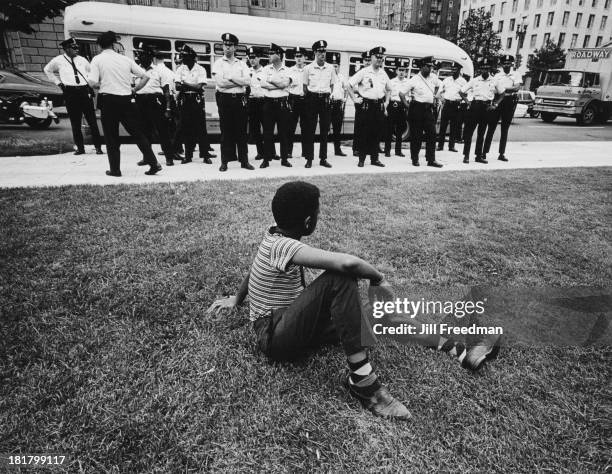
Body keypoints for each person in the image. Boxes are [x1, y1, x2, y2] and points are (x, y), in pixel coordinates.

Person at [207, 181, 503, 419]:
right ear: (309, 220)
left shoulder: (273, 239)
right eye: (318, 212)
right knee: (339, 277)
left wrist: (237, 298)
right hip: (274, 334)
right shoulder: (280, 245)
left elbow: (253, 269)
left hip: (295, 325)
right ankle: (363, 383)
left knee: (375, 316)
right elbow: (347, 264)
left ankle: (461, 351)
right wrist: (379, 278)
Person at [87, 30, 161, 177]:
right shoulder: (125, 60)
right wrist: (134, 90)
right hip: (127, 100)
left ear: (100, 46)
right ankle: (153, 163)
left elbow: (92, 81)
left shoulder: (97, 60)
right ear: (114, 44)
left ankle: (115, 169)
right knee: (138, 133)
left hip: (108, 100)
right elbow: (145, 76)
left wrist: (100, 85)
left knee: (111, 136)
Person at [43, 37, 103, 156]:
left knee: (92, 121)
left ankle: (98, 147)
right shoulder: (58, 60)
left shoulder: (82, 60)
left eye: (77, 47)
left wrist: (91, 84)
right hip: (70, 92)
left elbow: (91, 72)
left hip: (84, 91)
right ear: (66, 49)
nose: (76, 49)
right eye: (74, 48)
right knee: (75, 122)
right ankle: (80, 148)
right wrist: (58, 83)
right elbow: (47, 70)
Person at [212, 33, 254, 172]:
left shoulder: (241, 63)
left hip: (240, 100)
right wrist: (238, 81)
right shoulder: (218, 63)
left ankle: (244, 161)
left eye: (230, 45)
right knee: (226, 132)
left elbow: (248, 82)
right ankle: (224, 162)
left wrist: (230, 78)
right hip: (225, 99)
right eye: (225, 45)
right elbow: (220, 83)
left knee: (241, 132)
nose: (227, 48)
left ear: (235, 47)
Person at [134, 45, 178, 167]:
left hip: (155, 101)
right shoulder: (137, 71)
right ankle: (147, 158)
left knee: (162, 131)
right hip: (140, 101)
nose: (142, 58)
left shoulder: (159, 71)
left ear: (151, 57)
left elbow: (166, 90)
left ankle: (169, 157)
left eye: (145, 56)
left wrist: (168, 107)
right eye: (140, 56)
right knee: (144, 132)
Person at [348, 46, 390, 168]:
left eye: (381, 57)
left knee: (376, 134)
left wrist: (386, 102)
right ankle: (361, 159)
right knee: (364, 134)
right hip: (366, 106)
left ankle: (374, 159)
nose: (379, 59)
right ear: (371, 57)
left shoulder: (383, 73)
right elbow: (349, 85)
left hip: (378, 106)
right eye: (377, 57)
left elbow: (389, 89)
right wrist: (355, 99)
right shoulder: (364, 72)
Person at [403, 56, 443, 168]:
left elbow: (440, 85)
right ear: (422, 67)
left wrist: (436, 96)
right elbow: (402, 94)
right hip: (416, 109)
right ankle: (415, 158)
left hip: (428, 109)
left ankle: (431, 160)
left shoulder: (433, 77)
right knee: (417, 136)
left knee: (432, 134)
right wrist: (407, 106)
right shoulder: (414, 79)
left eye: (431, 67)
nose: (430, 69)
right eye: (428, 66)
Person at [459, 57, 501, 164]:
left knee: (481, 133)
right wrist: (468, 102)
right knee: (469, 133)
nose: (485, 70)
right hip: (475, 107)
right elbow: (461, 91)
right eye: (483, 68)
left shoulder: (494, 81)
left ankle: (478, 156)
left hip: (487, 108)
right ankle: (466, 156)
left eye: (487, 68)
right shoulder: (475, 80)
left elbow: (502, 93)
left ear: (490, 69)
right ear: (480, 69)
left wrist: (495, 104)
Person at [174, 44, 210, 164]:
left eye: (185, 56)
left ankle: (205, 155)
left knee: (201, 128)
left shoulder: (200, 69)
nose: (183, 58)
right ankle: (188, 156)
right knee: (186, 127)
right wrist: (191, 86)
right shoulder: (180, 69)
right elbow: (177, 86)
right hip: (185, 99)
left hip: (197, 99)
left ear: (192, 57)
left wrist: (185, 83)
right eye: (182, 56)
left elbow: (200, 87)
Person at [301, 40, 335, 169]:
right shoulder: (308, 68)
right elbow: (305, 87)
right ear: (315, 52)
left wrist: (326, 96)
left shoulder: (330, 68)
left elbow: (332, 85)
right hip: (312, 99)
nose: (322, 54)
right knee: (310, 130)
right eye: (320, 51)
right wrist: (311, 98)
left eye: (324, 51)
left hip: (325, 100)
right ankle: (309, 158)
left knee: (324, 131)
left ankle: (323, 158)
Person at [260, 43, 292, 168]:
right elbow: (262, 84)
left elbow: (285, 84)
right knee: (267, 133)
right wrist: (278, 84)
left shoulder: (287, 70)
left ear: (279, 55)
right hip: (268, 103)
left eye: (271, 53)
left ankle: (284, 159)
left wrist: (271, 80)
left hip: (282, 104)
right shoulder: (265, 69)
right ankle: (266, 160)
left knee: (283, 133)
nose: (269, 55)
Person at [485, 55, 522, 162]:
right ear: (502, 64)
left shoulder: (516, 74)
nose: (506, 65)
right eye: (504, 63)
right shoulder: (497, 76)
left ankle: (501, 153)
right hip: (498, 101)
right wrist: (506, 90)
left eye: (508, 63)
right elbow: (493, 89)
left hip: (509, 102)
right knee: (491, 127)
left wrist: (502, 89)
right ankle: (484, 152)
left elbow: (517, 88)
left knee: (505, 129)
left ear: (512, 64)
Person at [437, 62, 467, 152]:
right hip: (447, 105)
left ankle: (451, 146)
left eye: (455, 70)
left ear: (459, 70)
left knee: (454, 126)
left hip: (456, 106)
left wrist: (462, 101)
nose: (453, 71)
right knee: (443, 126)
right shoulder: (446, 80)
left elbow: (466, 94)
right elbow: (439, 93)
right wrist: (442, 100)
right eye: (452, 69)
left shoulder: (463, 81)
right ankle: (440, 146)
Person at [384, 59, 410, 158]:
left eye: (404, 70)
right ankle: (387, 151)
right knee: (389, 129)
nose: (402, 72)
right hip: (393, 106)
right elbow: (387, 94)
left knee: (400, 129)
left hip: (402, 107)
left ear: (406, 72)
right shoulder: (391, 82)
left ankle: (398, 151)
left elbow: (409, 96)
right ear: (396, 71)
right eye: (400, 70)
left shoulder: (408, 82)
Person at [287, 47, 308, 160]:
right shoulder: (290, 70)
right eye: (296, 56)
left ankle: (305, 152)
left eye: (301, 56)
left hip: (305, 100)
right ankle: (288, 152)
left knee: (306, 127)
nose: (298, 58)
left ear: (305, 57)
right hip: (293, 100)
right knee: (290, 127)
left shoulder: (308, 70)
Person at [247, 46, 266, 161]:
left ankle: (270, 152)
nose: (252, 60)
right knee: (255, 129)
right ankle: (260, 152)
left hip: (263, 101)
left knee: (267, 128)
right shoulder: (247, 71)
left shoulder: (265, 71)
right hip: (252, 102)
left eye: (254, 57)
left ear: (259, 58)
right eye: (250, 57)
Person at [352, 51, 371, 157]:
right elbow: (353, 87)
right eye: (366, 60)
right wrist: (360, 93)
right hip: (361, 101)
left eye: (369, 60)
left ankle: (366, 148)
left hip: (370, 102)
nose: (367, 62)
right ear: (363, 61)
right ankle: (356, 148)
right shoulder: (359, 72)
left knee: (368, 126)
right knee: (359, 126)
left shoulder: (372, 72)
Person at [329, 54, 347, 157]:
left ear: (339, 66)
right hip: (329, 104)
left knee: (337, 129)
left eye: (336, 66)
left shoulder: (341, 77)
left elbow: (346, 89)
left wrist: (344, 100)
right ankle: (324, 151)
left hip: (338, 105)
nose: (334, 68)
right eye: (332, 66)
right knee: (325, 129)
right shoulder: (327, 76)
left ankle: (337, 150)